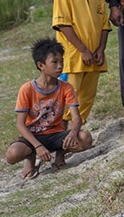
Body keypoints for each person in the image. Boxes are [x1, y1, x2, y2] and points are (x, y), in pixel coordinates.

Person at [5, 39, 93, 179]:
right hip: (33, 136)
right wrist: (38, 146)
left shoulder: (66, 87)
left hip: (56, 135)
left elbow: (76, 117)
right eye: (54, 62)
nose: (60, 66)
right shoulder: (27, 89)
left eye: (61, 61)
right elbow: (20, 125)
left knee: (85, 138)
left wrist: (73, 133)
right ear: (41, 65)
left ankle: (60, 154)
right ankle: (31, 160)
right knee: (12, 155)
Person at [51, 0, 110, 124]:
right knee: (69, 96)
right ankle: (59, 133)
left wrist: (100, 49)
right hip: (74, 58)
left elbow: (104, 26)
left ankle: (76, 131)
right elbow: (63, 24)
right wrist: (83, 50)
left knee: (86, 98)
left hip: (94, 58)